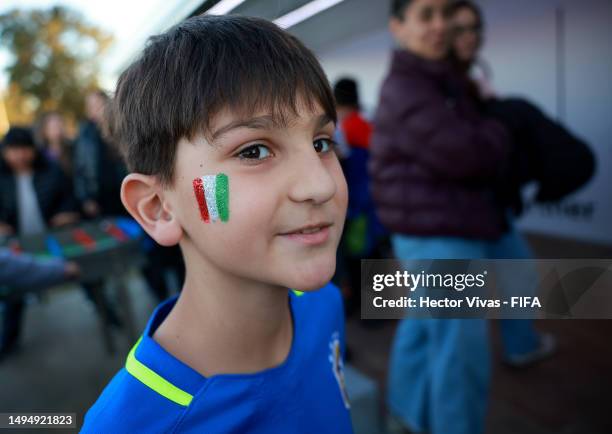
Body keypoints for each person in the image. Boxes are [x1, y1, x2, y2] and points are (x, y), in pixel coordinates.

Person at [81, 15, 352, 433]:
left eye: (321, 143)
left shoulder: (323, 306)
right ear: (159, 208)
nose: (320, 185)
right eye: (254, 151)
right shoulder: (132, 424)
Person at [370, 1, 512, 433]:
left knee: (425, 329)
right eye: (425, 15)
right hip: (441, 231)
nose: (439, 26)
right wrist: (501, 125)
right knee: (461, 351)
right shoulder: (410, 87)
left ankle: (406, 412)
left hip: (435, 226)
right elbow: (465, 155)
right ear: (397, 27)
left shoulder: (435, 80)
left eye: (444, 15)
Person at [0, 126, 80, 357]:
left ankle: (110, 317)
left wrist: (68, 212)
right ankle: (9, 342)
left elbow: (69, 198)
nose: (20, 156)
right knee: (15, 291)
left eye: (24, 150)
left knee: (85, 277)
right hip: (16, 243)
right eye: (13, 151)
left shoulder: (51, 170)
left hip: (53, 239)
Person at [73, 90, 127, 218]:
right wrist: (86, 198)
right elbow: (80, 169)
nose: (95, 109)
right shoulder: (84, 135)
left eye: (98, 104)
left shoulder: (122, 128)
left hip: (125, 190)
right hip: (100, 196)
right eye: (91, 106)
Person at [34, 111, 74, 175]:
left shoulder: (73, 150)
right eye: (53, 127)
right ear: (45, 130)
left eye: (59, 126)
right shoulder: (39, 154)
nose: (57, 130)